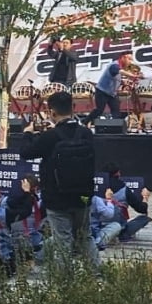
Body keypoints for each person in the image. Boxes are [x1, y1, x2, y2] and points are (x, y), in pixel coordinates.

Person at [20, 90, 98, 264]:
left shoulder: (50, 137)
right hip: (84, 196)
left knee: (62, 241)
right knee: (85, 237)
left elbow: (25, 153)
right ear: (73, 108)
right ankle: (97, 275)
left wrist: (27, 134)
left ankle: (65, 284)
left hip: (57, 198)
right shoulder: (86, 134)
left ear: (51, 112)